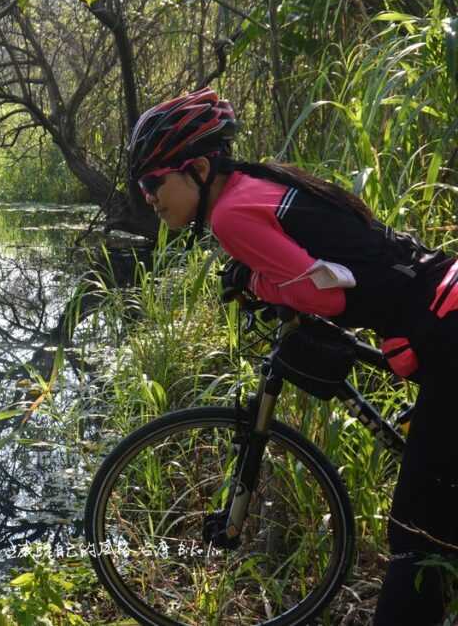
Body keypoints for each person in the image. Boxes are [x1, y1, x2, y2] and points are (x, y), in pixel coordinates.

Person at [127, 87, 458, 624]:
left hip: (448, 324)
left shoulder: (231, 214)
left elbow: (326, 292)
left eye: (154, 181)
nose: (148, 197)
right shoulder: (252, 186)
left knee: (417, 538)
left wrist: (258, 283)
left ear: (200, 168)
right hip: (442, 306)